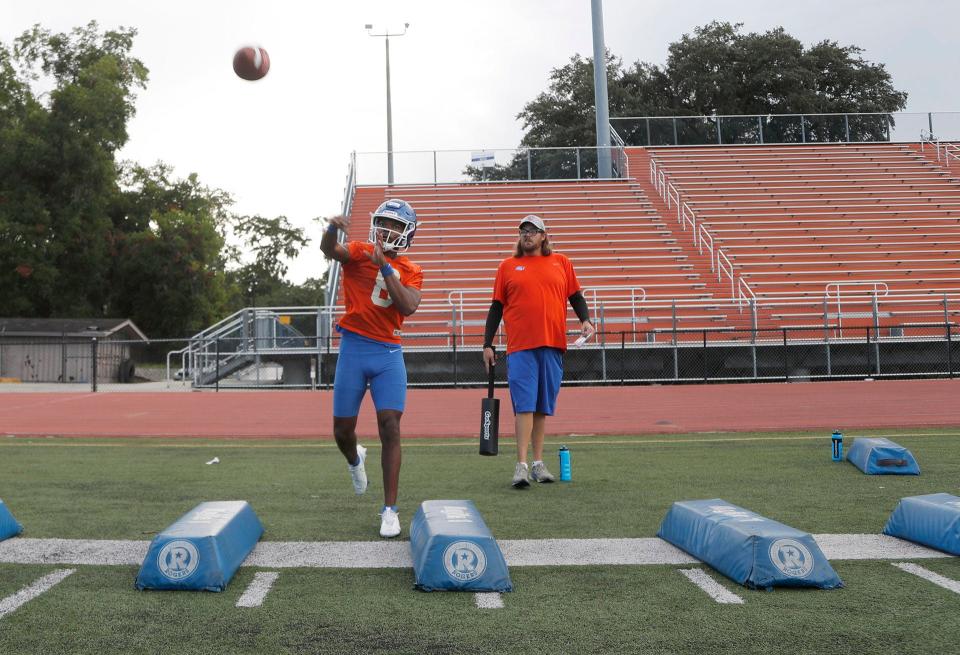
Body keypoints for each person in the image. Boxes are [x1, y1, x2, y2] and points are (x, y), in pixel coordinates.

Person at [320, 199, 423, 537]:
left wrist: (386, 268)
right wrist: (333, 226)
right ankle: (354, 459)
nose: (387, 230)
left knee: (390, 425)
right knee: (341, 432)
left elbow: (407, 306)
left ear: (407, 233)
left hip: (388, 354)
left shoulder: (412, 269)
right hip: (353, 348)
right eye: (384, 223)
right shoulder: (361, 250)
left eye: (395, 225)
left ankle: (390, 510)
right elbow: (330, 249)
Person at [482, 214, 595, 488]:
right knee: (524, 405)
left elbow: (575, 296)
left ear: (544, 236)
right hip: (521, 346)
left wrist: (586, 320)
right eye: (524, 231)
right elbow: (496, 306)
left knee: (542, 407)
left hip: (553, 344)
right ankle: (520, 465)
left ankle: (537, 463)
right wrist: (487, 343)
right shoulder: (508, 266)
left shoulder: (561, 262)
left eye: (533, 231)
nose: (528, 235)